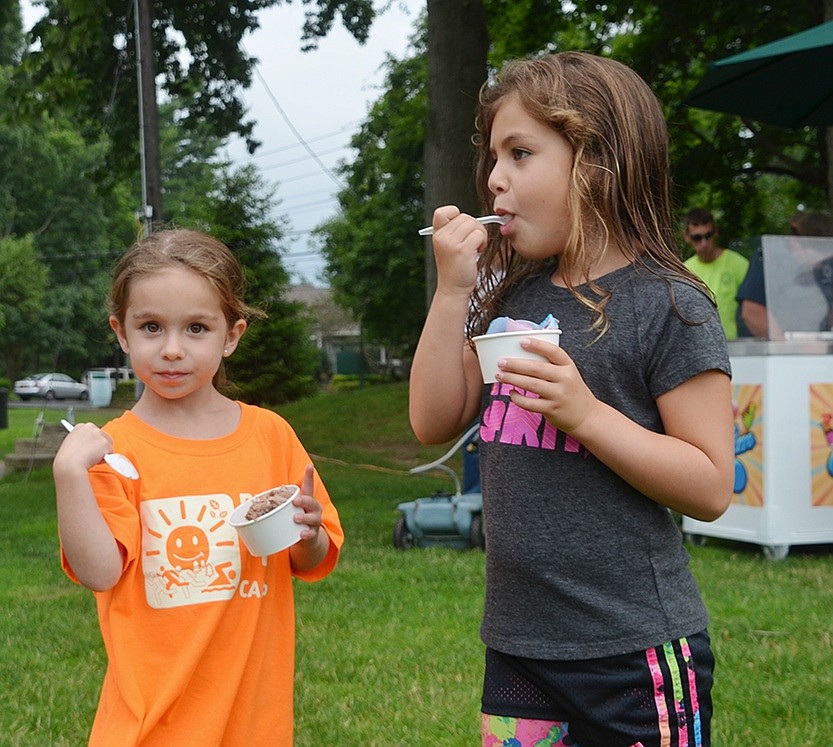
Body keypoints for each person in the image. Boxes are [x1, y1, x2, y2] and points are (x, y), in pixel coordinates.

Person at [409, 52, 734, 747]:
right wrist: (450, 292)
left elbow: (709, 485)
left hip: (631, 652)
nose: (493, 177)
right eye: (493, 156)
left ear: (596, 162)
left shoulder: (670, 306)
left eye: (519, 153)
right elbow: (432, 417)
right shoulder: (510, 295)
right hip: (518, 645)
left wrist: (585, 414)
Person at [52, 228, 343, 745]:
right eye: (150, 327)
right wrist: (70, 476)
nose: (171, 349)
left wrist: (309, 532)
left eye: (196, 328)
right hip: (149, 726)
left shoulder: (271, 436)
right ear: (121, 333)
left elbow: (311, 557)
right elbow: (99, 572)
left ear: (231, 335)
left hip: (252, 724)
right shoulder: (110, 453)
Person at [736, 210, 833, 338]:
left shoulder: (824, 266)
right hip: (773, 349)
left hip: (816, 344)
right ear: (795, 242)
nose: (820, 266)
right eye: (817, 259)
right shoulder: (769, 258)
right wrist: (787, 350)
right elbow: (752, 313)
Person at [682, 208, 748, 339]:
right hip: (698, 346)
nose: (704, 243)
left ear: (716, 232)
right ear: (686, 237)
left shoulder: (738, 264)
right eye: (697, 238)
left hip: (734, 344)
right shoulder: (684, 270)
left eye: (708, 235)